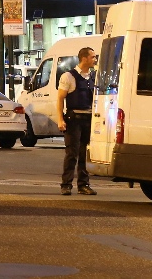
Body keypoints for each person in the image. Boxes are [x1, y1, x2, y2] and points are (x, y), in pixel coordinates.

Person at [56, 47, 98, 196]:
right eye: (93, 57)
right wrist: (60, 119)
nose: (95, 59)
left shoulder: (93, 76)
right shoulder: (68, 76)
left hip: (88, 119)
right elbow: (60, 99)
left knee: (84, 153)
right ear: (84, 58)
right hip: (74, 120)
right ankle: (66, 184)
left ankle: (83, 185)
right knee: (71, 153)